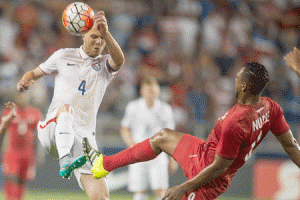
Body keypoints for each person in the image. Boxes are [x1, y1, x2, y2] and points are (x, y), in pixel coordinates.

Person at [83, 62, 300, 200]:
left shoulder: (235, 123)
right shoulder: (270, 107)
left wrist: (182, 188)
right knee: (163, 136)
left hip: (208, 178)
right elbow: (291, 145)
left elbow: (217, 168)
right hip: (202, 151)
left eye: (239, 77)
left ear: (244, 86)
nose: (235, 78)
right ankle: (105, 164)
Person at [17, 10, 125, 199]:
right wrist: (26, 80)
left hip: (84, 141)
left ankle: (70, 158)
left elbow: (119, 61)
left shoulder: (104, 66)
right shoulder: (63, 56)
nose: (99, 41)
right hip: (53, 130)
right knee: (66, 110)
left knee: (102, 197)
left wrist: (107, 32)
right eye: (94, 36)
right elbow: (34, 73)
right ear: (83, 35)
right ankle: (65, 160)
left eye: (102, 38)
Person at [120, 77, 178, 200]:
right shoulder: (133, 107)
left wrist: (173, 158)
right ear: (142, 91)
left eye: (153, 90)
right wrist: (133, 146)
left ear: (158, 91)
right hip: (138, 154)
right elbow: (125, 129)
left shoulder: (165, 109)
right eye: (148, 90)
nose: (150, 93)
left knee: (161, 190)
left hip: (158, 153)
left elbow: (170, 136)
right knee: (139, 191)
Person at [0, 96, 42, 200]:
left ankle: (18, 198)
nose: (22, 99)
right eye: (19, 97)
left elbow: (38, 135)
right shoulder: (9, 112)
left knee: (23, 179)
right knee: (11, 176)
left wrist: (39, 153)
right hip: (12, 150)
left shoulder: (35, 113)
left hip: (27, 152)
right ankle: (10, 197)